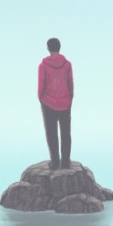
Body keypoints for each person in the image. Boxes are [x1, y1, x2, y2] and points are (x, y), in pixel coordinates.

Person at [37, 37, 74, 169]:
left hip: (48, 103)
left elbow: (41, 86)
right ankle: (65, 162)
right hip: (65, 102)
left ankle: (55, 162)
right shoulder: (68, 64)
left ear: (48, 47)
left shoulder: (43, 66)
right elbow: (71, 84)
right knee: (66, 133)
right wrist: (70, 99)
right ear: (59, 47)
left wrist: (41, 99)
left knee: (51, 134)